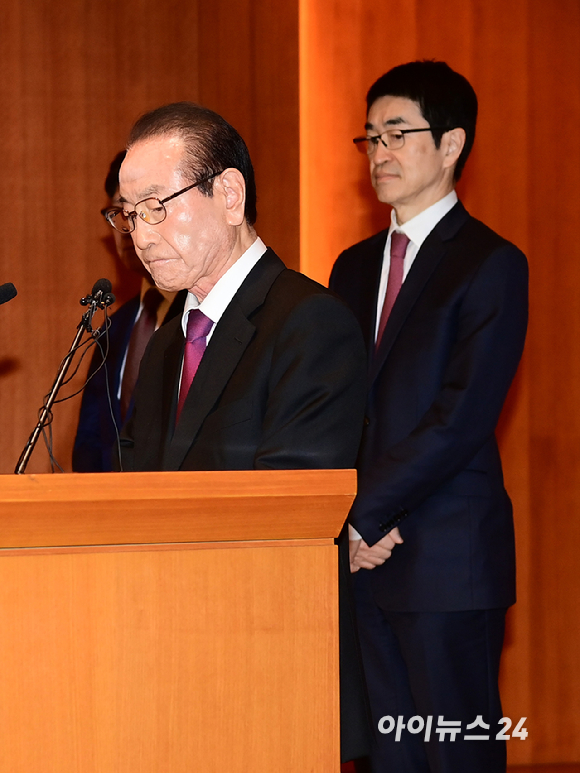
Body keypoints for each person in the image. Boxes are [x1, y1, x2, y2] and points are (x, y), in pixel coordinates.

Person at [108, 102, 370, 762]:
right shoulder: (168, 343)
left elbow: (290, 512)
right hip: (172, 658)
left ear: (228, 193)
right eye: (127, 213)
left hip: (269, 660)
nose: (140, 233)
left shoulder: (310, 322)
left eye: (156, 206)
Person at [329, 61, 528, 773]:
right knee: (391, 760)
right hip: (366, 561)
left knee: (456, 760)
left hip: (446, 559)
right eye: (370, 136)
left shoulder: (492, 263)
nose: (379, 152)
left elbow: (460, 417)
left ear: (451, 145)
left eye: (398, 133)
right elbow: (341, 405)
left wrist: (366, 514)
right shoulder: (350, 268)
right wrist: (353, 523)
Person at [72, 151, 186, 472]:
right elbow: (89, 441)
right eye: (117, 212)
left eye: (137, 212)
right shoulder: (113, 325)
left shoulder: (201, 317)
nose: (126, 226)